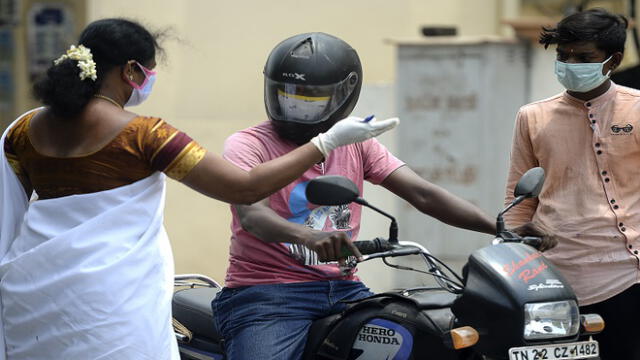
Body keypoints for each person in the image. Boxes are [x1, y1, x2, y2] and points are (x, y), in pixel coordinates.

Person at [0, 20, 398, 360]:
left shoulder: (23, 129)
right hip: (109, 304)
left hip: (32, 296)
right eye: (150, 71)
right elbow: (242, 189)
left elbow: (8, 219)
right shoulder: (144, 135)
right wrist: (325, 142)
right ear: (131, 72)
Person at [212, 32, 500, 360]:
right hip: (268, 294)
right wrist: (308, 236)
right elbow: (253, 217)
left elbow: (423, 194)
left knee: (424, 341)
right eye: (287, 96)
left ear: (344, 96)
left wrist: (501, 228)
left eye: (311, 100)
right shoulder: (248, 145)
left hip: (346, 290)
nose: (295, 108)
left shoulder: (355, 142)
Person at [503, 8, 640, 360]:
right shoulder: (533, 116)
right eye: (563, 56)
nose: (570, 64)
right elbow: (518, 200)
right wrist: (518, 241)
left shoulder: (636, 109)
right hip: (553, 281)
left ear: (613, 61)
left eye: (584, 57)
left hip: (627, 276)